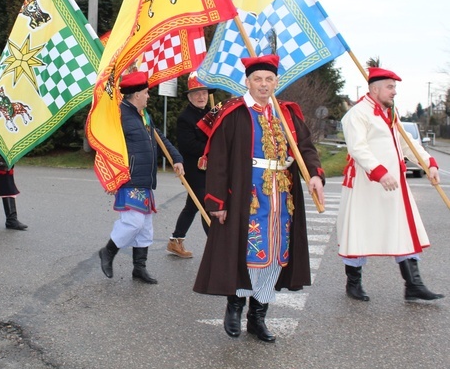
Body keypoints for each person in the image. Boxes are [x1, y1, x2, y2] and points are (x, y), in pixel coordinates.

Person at [193, 55, 325, 343]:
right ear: (248, 82)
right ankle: (236, 306)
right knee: (248, 254)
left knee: (276, 253)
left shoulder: (287, 113)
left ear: (276, 82)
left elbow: (305, 148)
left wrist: (314, 173)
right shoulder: (233, 111)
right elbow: (218, 159)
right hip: (245, 195)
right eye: (258, 79)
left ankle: (258, 316)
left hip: (282, 199)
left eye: (269, 79)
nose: (263, 85)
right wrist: (217, 202)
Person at [337, 66, 443, 302]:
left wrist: (429, 163)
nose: (394, 92)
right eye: (390, 87)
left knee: (404, 229)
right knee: (358, 231)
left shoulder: (390, 114)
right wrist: (379, 172)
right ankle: (353, 283)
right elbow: (358, 148)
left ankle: (414, 285)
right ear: (375, 89)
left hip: (395, 187)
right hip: (367, 185)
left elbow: (407, 145)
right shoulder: (357, 114)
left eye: (394, 87)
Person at [98, 71, 185, 284]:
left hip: (145, 179)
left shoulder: (143, 115)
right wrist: (111, 175)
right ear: (136, 94)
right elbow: (106, 146)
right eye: (146, 93)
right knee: (133, 222)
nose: (148, 97)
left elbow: (160, 137)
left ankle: (139, 268)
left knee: (145, 226)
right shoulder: (119, 116)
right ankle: (108, 251)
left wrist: (176, 157)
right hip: (129, 178)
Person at [167, 71, 215, 259]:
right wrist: (213, 149)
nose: (201, 96)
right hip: (194, 170)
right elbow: (189, 146)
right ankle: (215, 248)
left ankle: (175, 240)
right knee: (206, 206)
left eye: (204, 92)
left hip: (210, 168)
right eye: (197, 93)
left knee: (192, 206)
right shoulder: (184, 118)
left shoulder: (211, 112)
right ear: (189, 96)